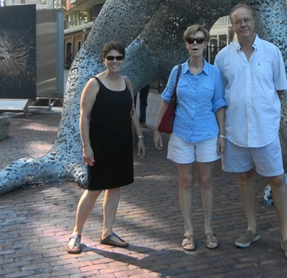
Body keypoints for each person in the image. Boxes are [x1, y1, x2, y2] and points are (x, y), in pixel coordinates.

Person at [214, 4, 287, 260]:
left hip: (264, 130)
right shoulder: (223, 57)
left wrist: (263, 110)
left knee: (277, 180)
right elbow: (220, 94)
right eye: (237, 21)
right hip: (237, 131)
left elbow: (280, 89)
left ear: (254, 22)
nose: (243, 25)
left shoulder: (272, 52)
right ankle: (252, 228)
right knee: (245, 178)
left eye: (246, 20)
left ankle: (286, 235)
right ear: (233, 26)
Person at [66, 41, 146, 254]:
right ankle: (76, 233)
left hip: (121, 144)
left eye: (118, 57)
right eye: (110, 58)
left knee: (115, 187)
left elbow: (132, 112)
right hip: (99, 145)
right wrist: (86, 146)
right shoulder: (94, 84)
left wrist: (139, 137)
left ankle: (107, 232)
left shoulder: (127, 83)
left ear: (123, 60)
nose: (114, 61)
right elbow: (84, 117)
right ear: (104, 60)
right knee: (93, 190)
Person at [153, 24, 226, 251]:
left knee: (205, 182)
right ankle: (188, 231)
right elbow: (166, 99)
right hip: (182, 134)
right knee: (186, 182)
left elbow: (219, 104)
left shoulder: (214, 72)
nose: (195, 44)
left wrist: (222, 134)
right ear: (186, 43)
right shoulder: (177, 71)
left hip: (207, 134)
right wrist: (156, 128)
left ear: (206, 43)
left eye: (200, 40)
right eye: (191, 40)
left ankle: (208, 229)